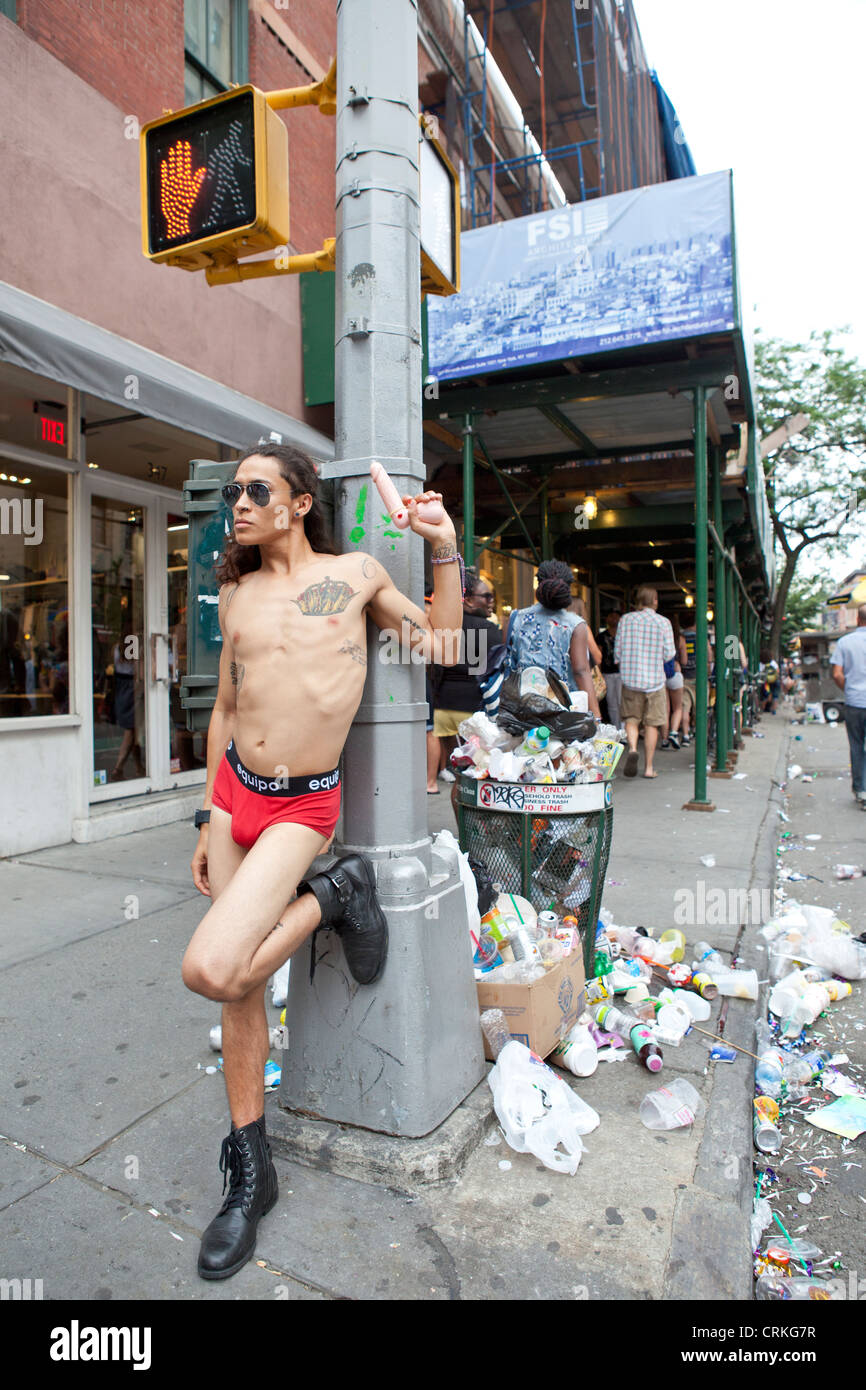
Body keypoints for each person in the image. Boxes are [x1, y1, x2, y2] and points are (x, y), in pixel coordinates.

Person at [182, 441, 462, 1280]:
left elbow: (444, 648)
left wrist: (443, 543)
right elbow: (227, 704)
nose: (237, 503)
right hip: (235, 796)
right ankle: (249, 1172)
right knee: (238, 996)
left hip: (302, 808)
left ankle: (337, 890)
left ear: (299, 501)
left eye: (255, 489)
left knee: (213, 968)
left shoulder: (357, 574)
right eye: (232, 491)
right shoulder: (235, 589)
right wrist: (205, 816)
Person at [506, 559, 601, 717]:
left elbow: (509, 661)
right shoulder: (575, 624)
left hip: (523, 708)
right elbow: (581, 671)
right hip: (564, 710)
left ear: (539, 584)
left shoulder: (516, 618)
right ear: (568, 588)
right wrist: (596, 717)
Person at [430, 571, 502, 775]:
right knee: (475, 767)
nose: (491, 601)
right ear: (468, 601)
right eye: (487, 596)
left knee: (457, 764)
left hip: (445, 705)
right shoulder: (490, 630)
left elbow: (436, 666)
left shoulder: (445, 627)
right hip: (475, 709)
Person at [614, 586, 675, 779]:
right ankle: (649, 768)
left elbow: (617, 652)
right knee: (652, 724)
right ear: (655, 600)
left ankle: (632, 748)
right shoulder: (663, 622)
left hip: (631, 680)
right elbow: (669, 654)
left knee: (631, 719)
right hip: (655, 682)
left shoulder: (626, 620)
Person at [831, 605, 866, 808]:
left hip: (854, 702)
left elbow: (836, 674)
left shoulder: (845, 642)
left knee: (856, 746)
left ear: (857, 619)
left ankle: (861, 790)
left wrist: (849, 689)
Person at [598, 610, 622, 729]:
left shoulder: (623, 635)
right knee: (611, 702)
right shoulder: (602, 636)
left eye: (616, 617)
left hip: (622, 673)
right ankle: (617, 728)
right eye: (611, 616)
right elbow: (599, 656)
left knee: (622, 702)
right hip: (607, 673)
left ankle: (625, 729)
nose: (613, 619)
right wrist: (598, 674)